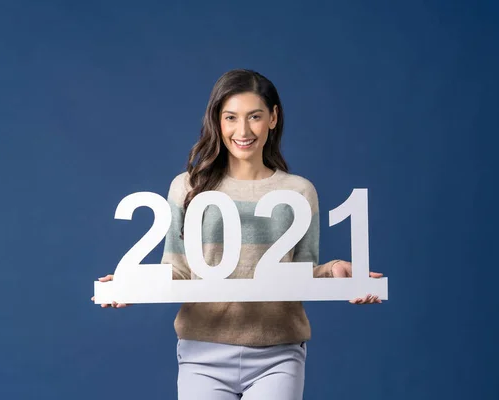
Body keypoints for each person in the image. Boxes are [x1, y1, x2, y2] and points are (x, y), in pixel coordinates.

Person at [92, 69, 383, 399]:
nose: (242, 130)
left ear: (273, 118)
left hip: (278, 354)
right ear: (217, 121)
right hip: (202, 354)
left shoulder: (299, 191)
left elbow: (300, 274)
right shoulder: (187, 188)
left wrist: (336, 272)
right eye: (231, 117)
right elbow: (178, 269)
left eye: (255, 116)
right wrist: (133, 284)